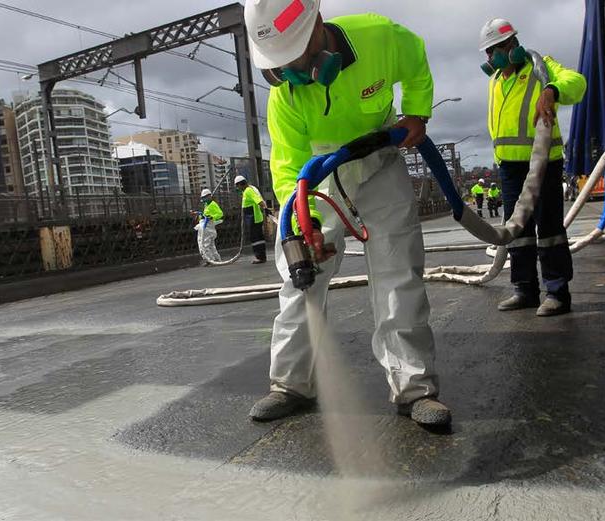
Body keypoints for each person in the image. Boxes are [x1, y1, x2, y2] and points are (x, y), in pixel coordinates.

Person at [244, 0, 450, 427]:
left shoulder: (378, 37)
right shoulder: (284, 96)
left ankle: (414, 388)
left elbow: (414, 59)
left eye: (296, 59)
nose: (292, 75)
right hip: (318, 174)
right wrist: (306, 222)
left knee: (397, 272)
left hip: (379, 158)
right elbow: (287, 166)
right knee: (300, 279)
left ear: (317, 26)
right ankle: (289, 384)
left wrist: (416, 110)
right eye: (281, 67)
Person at [479, 18, 586, 316]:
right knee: (518, 232)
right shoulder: (496, 80)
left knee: (549, 228)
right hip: (510, 168)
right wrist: (499, 160)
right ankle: (524, 289)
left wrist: (551, 91)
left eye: (496, 49)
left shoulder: (542, 68)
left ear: (512, 45)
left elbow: (578, 83)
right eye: (487, 53)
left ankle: (557, 292)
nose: (491, 58)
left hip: (543, 163)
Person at [235, 175, 268, 264]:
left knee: (256, 238)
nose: (237, 188)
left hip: (254, 218)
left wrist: (265, 209)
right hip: (252, 218)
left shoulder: (249, 191)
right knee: (258, 238)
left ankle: (260, 257)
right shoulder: (247, 191)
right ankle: (262, 256)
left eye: (237, 186)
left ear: (240, 184)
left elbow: (259, 200)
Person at [191, 188, 223, 264]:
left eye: (205, 197)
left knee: (204, 244)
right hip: (205, 227)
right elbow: (205, 215)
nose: (204, 199)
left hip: (208, 228)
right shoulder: (207, 205)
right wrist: (197, 214)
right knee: (210, 245)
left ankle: (210, 260)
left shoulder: (213, 204)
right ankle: (216, 259)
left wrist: (212, 217)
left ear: (209, 196)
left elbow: (220, 214)